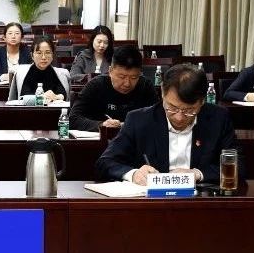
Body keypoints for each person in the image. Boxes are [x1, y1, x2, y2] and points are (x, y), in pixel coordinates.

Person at [96, 64, 238, 184]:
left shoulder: (218, 118)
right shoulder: (139, 120)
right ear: (163, 94)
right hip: (152, 201)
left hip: (199, 200)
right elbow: (105, 162)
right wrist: (134, 174)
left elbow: (238, 165)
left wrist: (198, 174)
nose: (179, 117)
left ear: (202, 101)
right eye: (172, 108)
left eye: (189, 110)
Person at [68, 44, 161, 131]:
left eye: (134, 77)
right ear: (110, 71)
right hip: (102, 140)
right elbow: (73, 119)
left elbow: (159, 118)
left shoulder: (145, 86)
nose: (127, 84)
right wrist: (101, 125)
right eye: (122, 77)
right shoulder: (96, 85)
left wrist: (131, 125)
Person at [8, 37, 71, 103]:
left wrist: (57, 97)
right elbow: (24, 97)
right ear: (32, 55)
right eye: (39, 53)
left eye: (47, 53)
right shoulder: (22, 73)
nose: (43, 57)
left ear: (52, 55)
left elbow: (64, 94)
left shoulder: (62, 74)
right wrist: (43, 97)